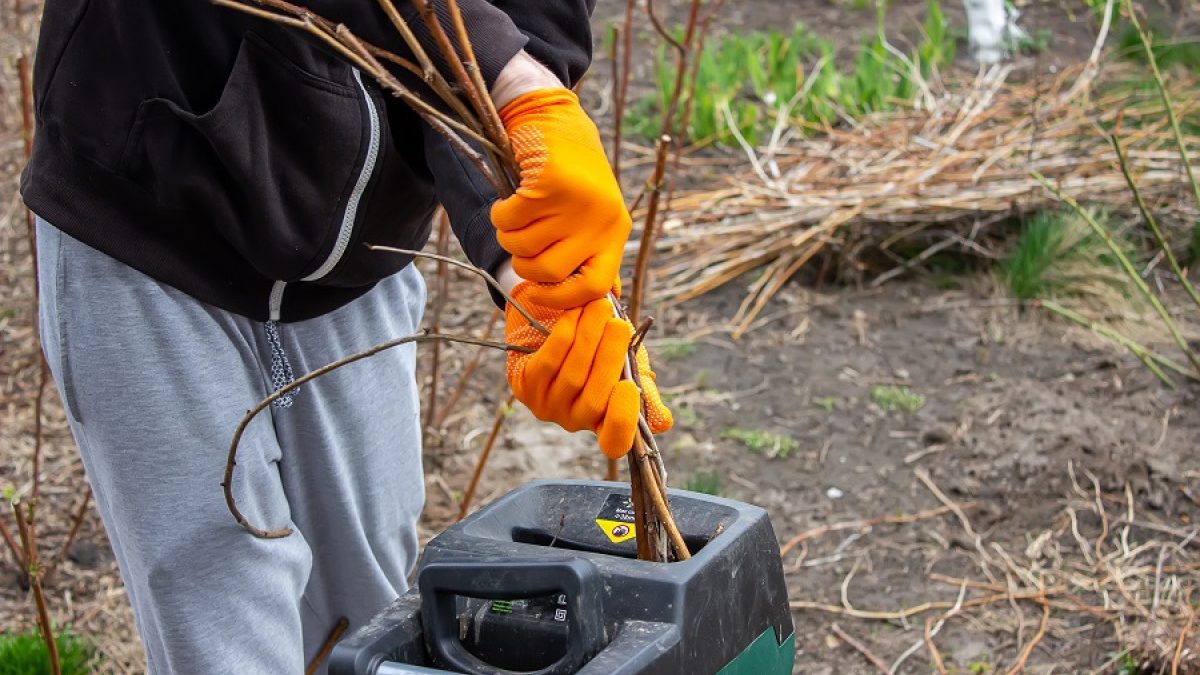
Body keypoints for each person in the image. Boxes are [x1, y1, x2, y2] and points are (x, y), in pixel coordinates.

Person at [20, 1, 672, 672]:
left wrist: (532, 273)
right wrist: (508, 75)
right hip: (150, 216)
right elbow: (484, 51)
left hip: (358, 257)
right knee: (224, 617)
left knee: (367, 613)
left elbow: (522, 26)